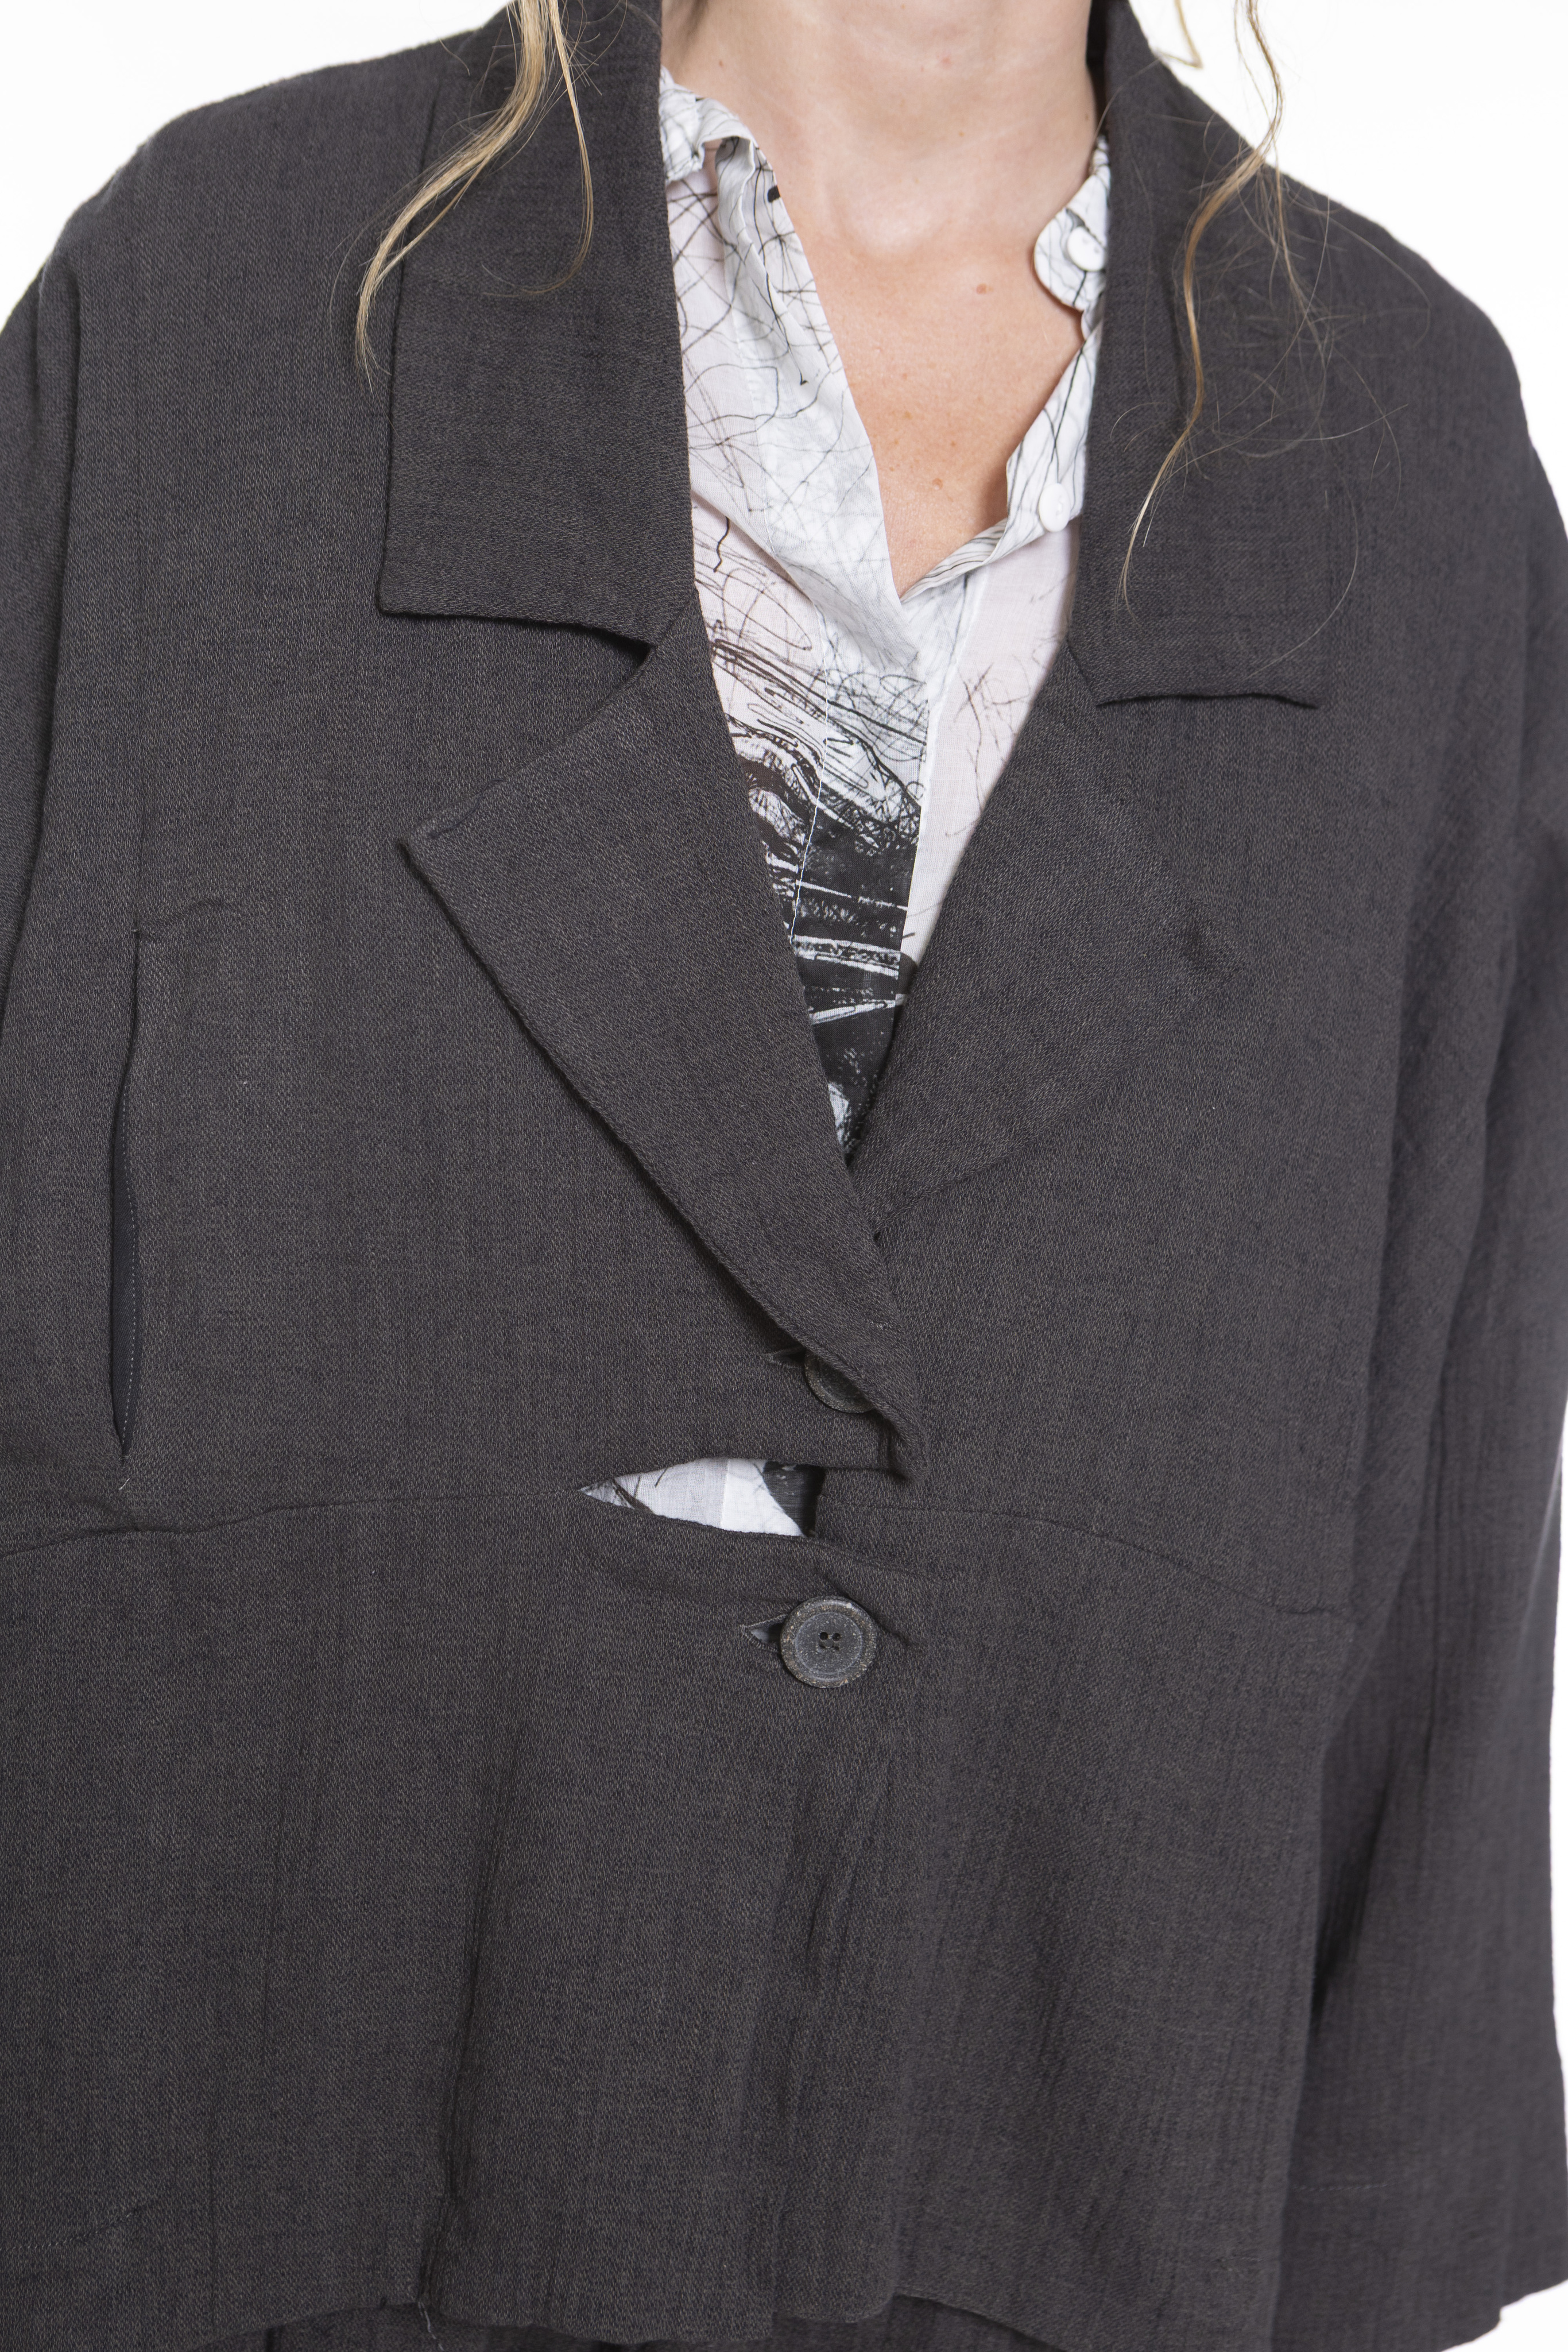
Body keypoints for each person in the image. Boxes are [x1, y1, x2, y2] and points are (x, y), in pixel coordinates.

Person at [1, 2, 1563, 2349]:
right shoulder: (230, 290)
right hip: (267, 2150)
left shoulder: (1388, 432)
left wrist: (1365, 2242)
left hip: (1040, 2159)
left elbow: (1448, 1454)